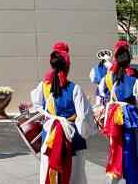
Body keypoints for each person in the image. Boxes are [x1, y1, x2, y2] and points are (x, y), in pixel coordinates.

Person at [32, 41, 95, 184]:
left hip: (50, 136)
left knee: (50, 172)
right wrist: (86, 131)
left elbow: (37, 108)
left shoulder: (43, 86)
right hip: (72, 138)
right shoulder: (75, 88)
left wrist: (51, 119)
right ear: (68, 66)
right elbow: (83, 117)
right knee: (74, 175)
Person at [99, 40, 138, 184]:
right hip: (131, 118)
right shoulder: (134, 80)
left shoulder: (108, 78)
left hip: (114, 119)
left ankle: (114, 179)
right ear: (129, 60)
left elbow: (101, 93)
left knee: (116, 151)